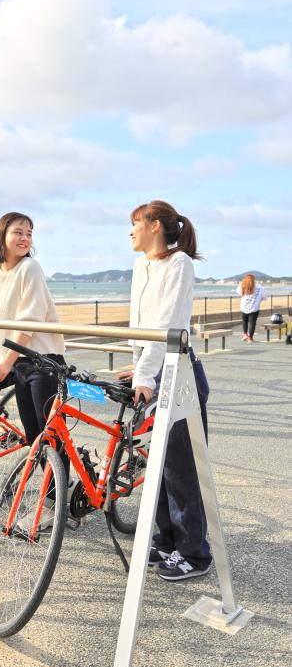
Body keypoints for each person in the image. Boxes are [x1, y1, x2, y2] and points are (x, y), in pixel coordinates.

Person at [118, 200, 212, 581]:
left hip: (179, 374)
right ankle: (167, 539)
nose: (130, 231)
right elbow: (140, 324)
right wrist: (139, 365)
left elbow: (168, 324)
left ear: (155, 225)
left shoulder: (180, 264)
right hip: (153, 371)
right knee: (154, 465)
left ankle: (194, 553)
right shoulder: (142, 265)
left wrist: (146, 374)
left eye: (135, 224)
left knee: (180, 467)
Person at [0, 212, 66, 526]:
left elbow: (28, 319)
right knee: (33, 435)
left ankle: (55, 505)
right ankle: (56, 494)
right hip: (16, 360)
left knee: (48, 436)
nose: (25, 238)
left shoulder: (30, 268)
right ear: (1, 235)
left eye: (29, 233)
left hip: (42, 358)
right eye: (18, 232)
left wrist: (6, 360)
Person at [236, 274, 267, 342]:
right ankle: (250, 338)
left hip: (244, 307)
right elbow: (264, 297)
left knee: (244, 321)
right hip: (254, 307)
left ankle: (245, 334)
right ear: (254, 280)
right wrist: (259, 299)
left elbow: (239, 292)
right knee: (252, 323)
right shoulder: (259, 287)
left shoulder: (242, 286)